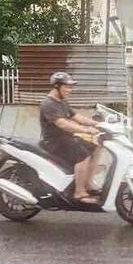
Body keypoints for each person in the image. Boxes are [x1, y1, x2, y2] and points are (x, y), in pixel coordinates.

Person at [40, 72, 101, 204]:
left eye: (70, 87)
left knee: (95, 148)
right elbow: (63, 124)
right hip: (54, 142)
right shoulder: (48, 104)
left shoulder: (62, 102)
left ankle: (88, 183)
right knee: (83, 155)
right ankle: (79, 192)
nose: (69, 90)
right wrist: (85, 130)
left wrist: (97, 124)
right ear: (57, 86)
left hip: (66, 139)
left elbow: (76, 117)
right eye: (66, 87)